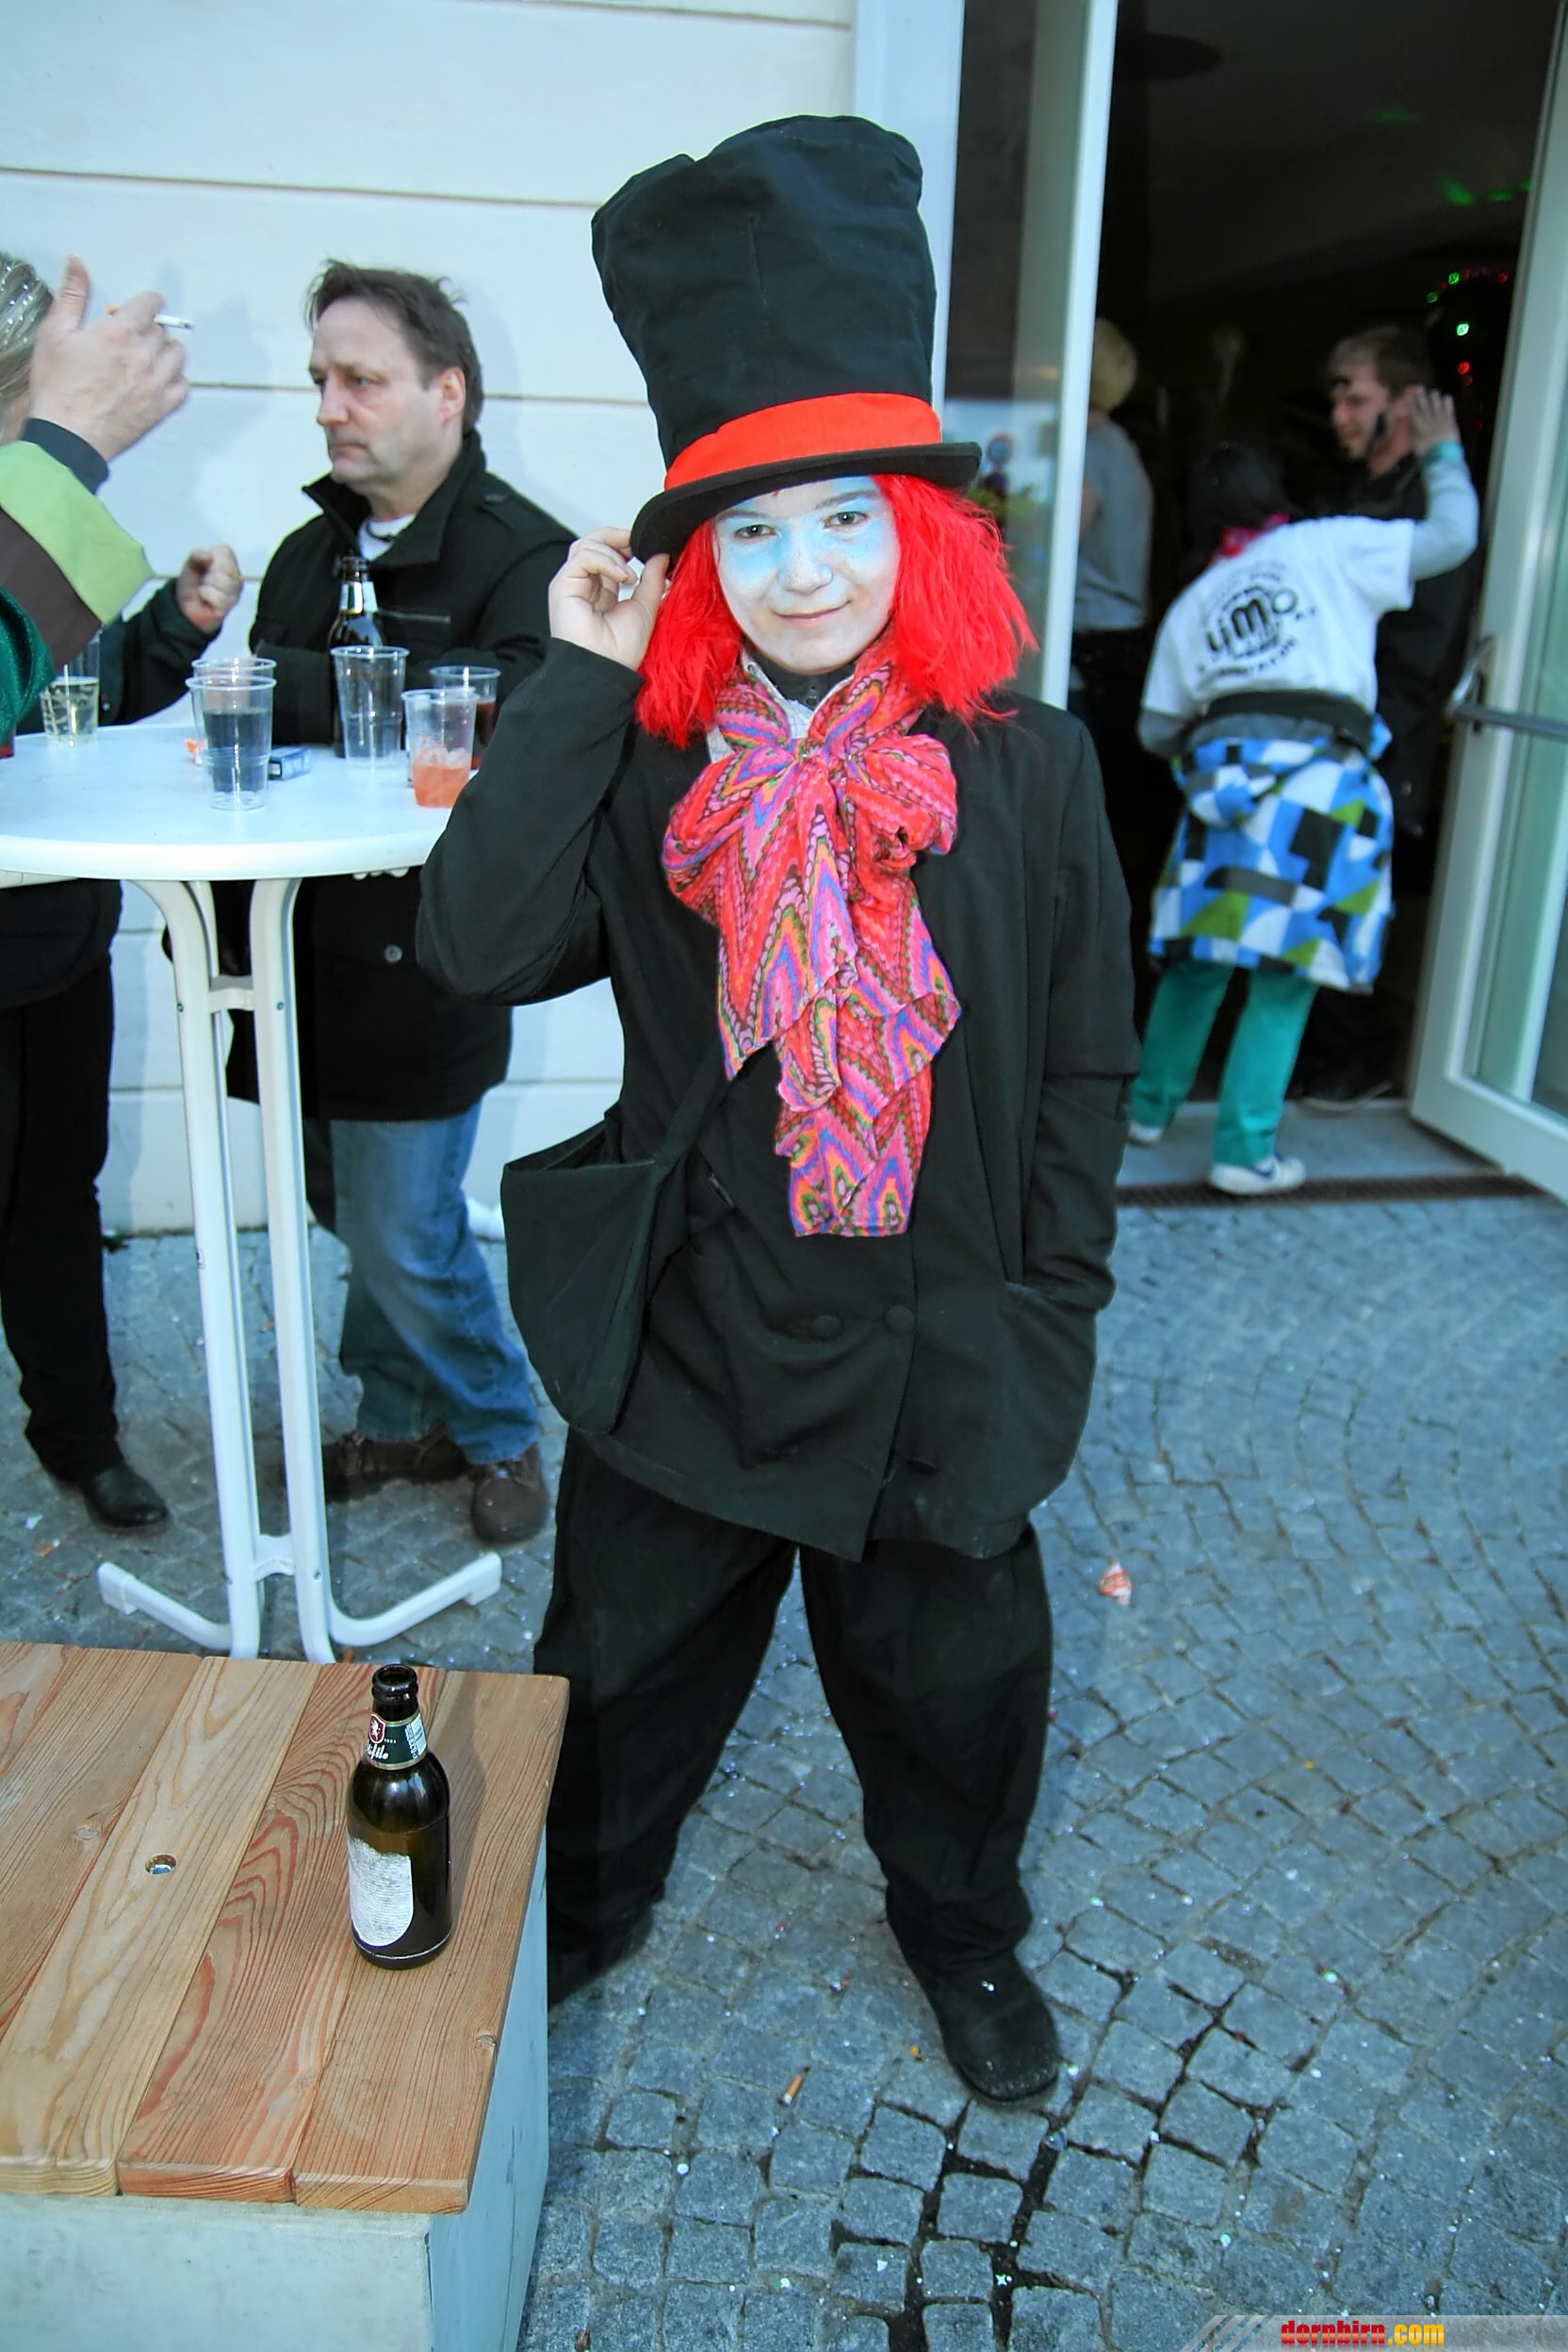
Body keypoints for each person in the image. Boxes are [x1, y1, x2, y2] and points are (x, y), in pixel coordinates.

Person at [419, 117, 1137, 2102]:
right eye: (747, 531)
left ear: (923, 531)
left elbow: (1085, 1060)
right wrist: (577, 679)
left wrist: (1050, 1305)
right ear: (692, 563)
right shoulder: (650, 763)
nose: (801, 569)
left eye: (840, 516)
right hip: (703, 1318)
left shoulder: (1028, 768)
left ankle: (959, 1933)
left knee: (955, 1689)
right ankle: (582, 1906)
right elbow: (474, 948)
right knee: (618, 1665)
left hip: (941, 1334)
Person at [244, 264, 573, 1545]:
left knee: (403, 1229)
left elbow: (510, 726)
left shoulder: (527, 557)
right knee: (354, 1211)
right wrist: (374, 692)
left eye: (361, 380)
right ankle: (397, 1418)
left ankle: (497, 1426)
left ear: (449, 392)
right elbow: (266, 698)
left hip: (430, 959)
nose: (330, 407)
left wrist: (317, 689)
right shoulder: (306, 551)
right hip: (295, 950)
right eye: (320, 380)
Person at [0, 253, 227, 1528]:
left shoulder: (26, 527)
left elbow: (67, 696)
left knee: (59, 1193)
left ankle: (79, 1437)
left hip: (53, 933)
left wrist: (174, 632)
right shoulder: (28, 513)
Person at [1128, 396, 1478, 1195]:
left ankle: (1146, 1111)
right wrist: (1442, 454)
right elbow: (1452, 539)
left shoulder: (1195, 601)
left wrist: (1233, 730)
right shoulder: (1328, 544)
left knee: (1197, 962)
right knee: (1285, 976)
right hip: (1320, 795)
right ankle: (1243, 1152)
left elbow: (1155, 728)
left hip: (1220, 803)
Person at [1295, 324, 1481, 1108]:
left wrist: (1369, 737)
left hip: (1378, 737)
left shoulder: (1426, 503)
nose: (1339, 413)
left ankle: (1357, 1057)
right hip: (1328, 730)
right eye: (1336, 396)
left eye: (1356, 397)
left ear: (1407, 403)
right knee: (1311, 897)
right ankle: (1318, 1051)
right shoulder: (1356, 496)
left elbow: (1423, 648)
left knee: (1353, 903)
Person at [1069, 318, 1171, 1024]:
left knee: (1086, 832)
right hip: (1123, 650)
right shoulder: (1124, 450)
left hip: (1095, 658)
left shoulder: (1092, 453)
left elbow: (1052, 543)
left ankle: (1095, 999)